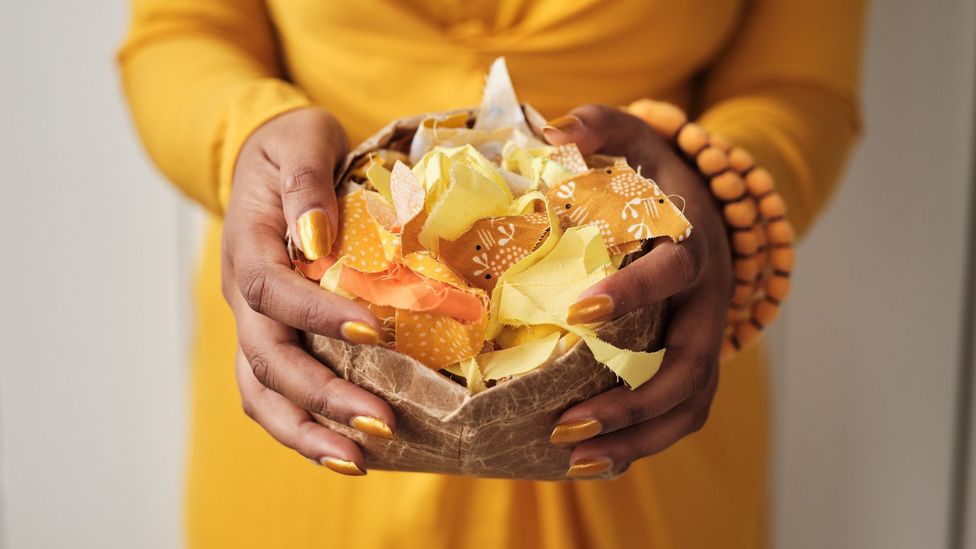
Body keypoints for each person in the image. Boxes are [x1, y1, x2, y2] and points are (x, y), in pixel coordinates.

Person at [118, 2, 865, 547]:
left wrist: (714, 185)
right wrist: (246, 138)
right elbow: (183, 31)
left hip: (639, 375)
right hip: (316, 371)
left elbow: (800, 81)